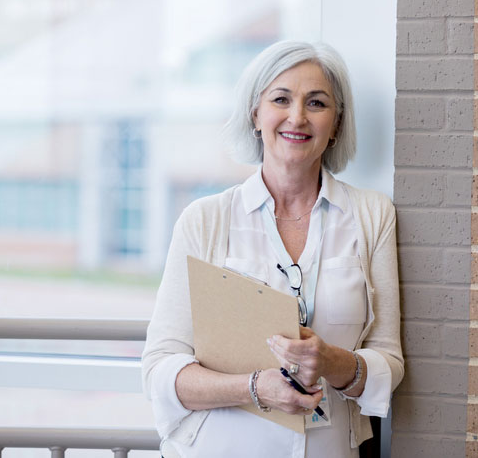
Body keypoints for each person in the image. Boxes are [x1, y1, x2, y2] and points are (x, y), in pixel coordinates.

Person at [142, 40, 403, 458]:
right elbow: (159, 370)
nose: (297, 117)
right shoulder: (205, 219)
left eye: (316, 103)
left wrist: (334, 363)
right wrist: (255, 387)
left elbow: (390, 362)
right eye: (281, 99)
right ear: (256, 114)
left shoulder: (372, 216)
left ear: (336, 123)